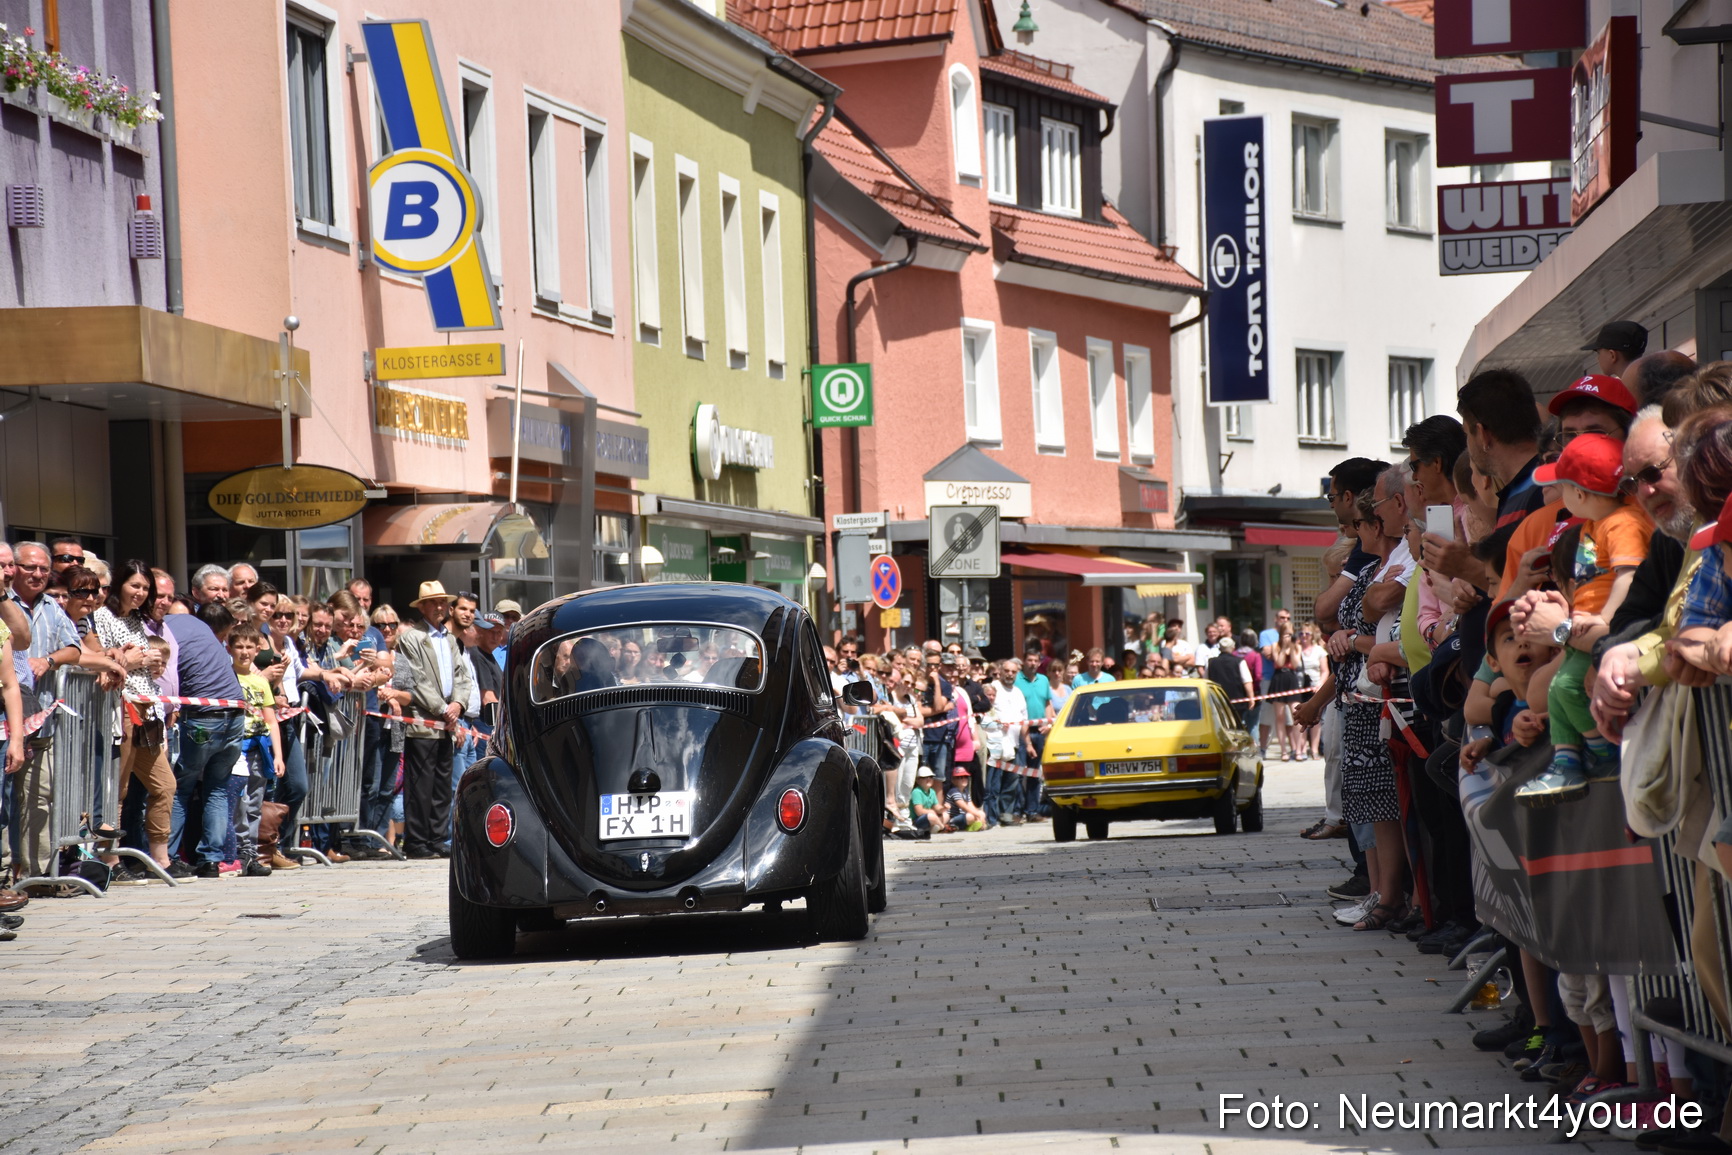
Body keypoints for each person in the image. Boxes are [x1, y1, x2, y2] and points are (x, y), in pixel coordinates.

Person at [1513, 434, 1652, 806]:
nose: (1559, 493)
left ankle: (1602, 752)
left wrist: (1606, 619)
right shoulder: (1594, 524)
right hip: (1584, 625)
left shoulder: (1622, 523)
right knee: (1560, 689)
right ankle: (1567, 761)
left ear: (1581, 492)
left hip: (1603, 629)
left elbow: (1628, 576)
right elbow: (1593, 580)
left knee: (1567, 689)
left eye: (1563, 486)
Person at [7, 543, 83, 882]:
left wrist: (48, 660)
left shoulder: (53, 606)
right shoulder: (5, 604)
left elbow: (75, 648)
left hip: (40, 718)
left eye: (42, 569)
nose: (36, 574)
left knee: (39, 797)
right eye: (27, 567)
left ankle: (37, 875)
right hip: (5, 717)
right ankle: (7, 874)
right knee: (5, 801)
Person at [164, 602, 247, 878]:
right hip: (234, 714)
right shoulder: (200, 628)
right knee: (217, 788)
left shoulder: (163, 628)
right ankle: (211, 860)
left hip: (203, 717)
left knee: (182, 787)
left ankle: (168, 857)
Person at [394, 582, 472, 859]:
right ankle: (417, 841)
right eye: (434, 602)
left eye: (443, 602)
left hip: (447, 722)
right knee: (420, 786)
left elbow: (463, 676)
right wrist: (443, 709)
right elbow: (415, 679)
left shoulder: (450, 639)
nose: (440, 607)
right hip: (422, 722)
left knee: (442, 784)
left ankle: (438, 839)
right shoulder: (411, 638)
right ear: (422, 606)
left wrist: (458, 705)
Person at [227, 623, 283, 877]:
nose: (244, 651)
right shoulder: (226, 676)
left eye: (250, 646)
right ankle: (238, 850)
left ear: (257, 648)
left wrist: (278, 755)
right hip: (236, 746)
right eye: (239, 646)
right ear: (229, 648)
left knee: (255, 803)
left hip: (259, 748)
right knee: (239, 802)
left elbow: (271, 720)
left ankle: (252, 853)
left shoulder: (261, 682)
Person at [1267, 626, 1303, 760]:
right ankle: (1284, 751)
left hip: (1291, 678)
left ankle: (1298, 750)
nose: (1288, 637)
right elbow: (1279, 663)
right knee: (1280, 716)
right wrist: (1283, 648)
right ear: (1281, 635)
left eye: (1290, 634)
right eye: (1286, 634)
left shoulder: (1297, 646)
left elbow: (1295, 665)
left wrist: (1292, 648)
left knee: (1296, 715)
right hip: (1279, 679)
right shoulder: (1275, 645)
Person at [1583, 319, 1647, 378]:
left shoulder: (1618, 388)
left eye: (1598, 352)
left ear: (1612, 355)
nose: (1598, 358)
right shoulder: (1651, 382)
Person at [944, 765, 985, 831]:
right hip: (953, 818)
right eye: (960, 777)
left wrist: (979, 814)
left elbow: (971, 806)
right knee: (970, 816)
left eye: (965, 777)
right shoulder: (954, 791)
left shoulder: (965, 791)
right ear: (953, 780)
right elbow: (963, 807)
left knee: (981, 813)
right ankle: (965, 827)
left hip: (963, 815)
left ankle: (973, 826)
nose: (964, 779)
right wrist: (977, 815)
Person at [909, 767, 947, 834]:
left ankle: (934, 828)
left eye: (930, 777)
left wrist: (944, 808)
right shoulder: (916, 792)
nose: (928, 779)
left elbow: (937, 807)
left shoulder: (932, 791)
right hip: (916, 821)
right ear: (918, 780)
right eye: (924, 777)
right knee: (931, 816)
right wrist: (932, 812)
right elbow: (919, 812)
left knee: (946, 814)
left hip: (927, 817)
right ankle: (943, 828)